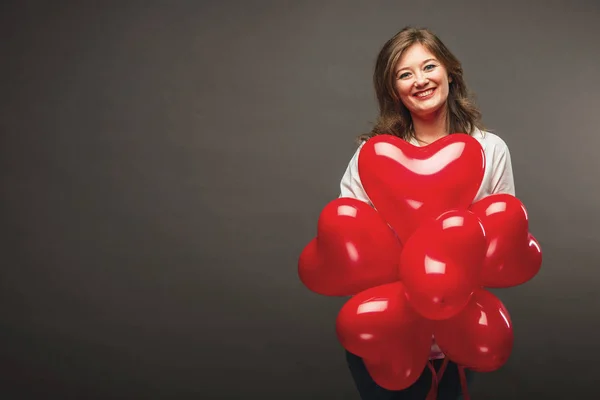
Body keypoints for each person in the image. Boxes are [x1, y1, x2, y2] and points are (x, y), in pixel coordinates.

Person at [338, 27, 516, 400]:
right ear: (393, 90)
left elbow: (504, 236)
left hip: (462, 333)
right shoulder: (374, 155)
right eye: (405, 74)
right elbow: (349, 240)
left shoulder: (490, 149)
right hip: (387, 333)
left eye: (428, 66)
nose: (420, 81)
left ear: (450, 71)